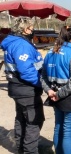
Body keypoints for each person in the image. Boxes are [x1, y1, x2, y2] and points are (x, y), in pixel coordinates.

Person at [40, 26, 71, 154]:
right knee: (68, 134)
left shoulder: (50, 52)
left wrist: (49, 91)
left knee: (58, 128)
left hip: (55, 95)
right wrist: (59, 94)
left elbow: (43, 76)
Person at [0, 18, 44, 154]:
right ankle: (29, 151)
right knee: (34, 121)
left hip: (17, 88)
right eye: (31, 28)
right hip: (26, 90)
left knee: (21, 119)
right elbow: (27, 72)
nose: (32, 31)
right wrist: (42, 84)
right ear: (25, 29)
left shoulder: (13, 42)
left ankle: (21, 148)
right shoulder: (21, 45)